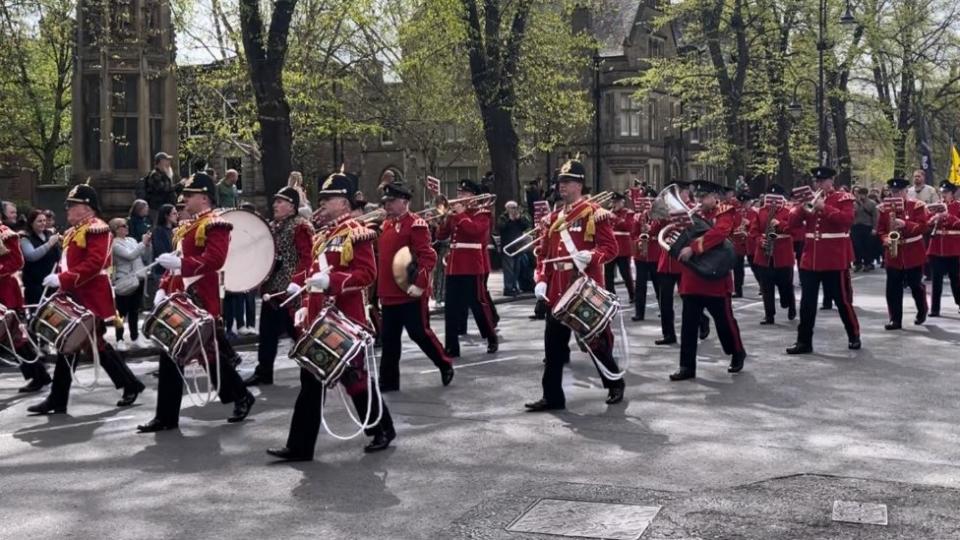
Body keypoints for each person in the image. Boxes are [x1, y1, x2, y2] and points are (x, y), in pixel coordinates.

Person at [267, 171, 395, 460]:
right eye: (322, 199)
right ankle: (300, 446)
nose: (323, 203)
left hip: (345, 319)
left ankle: (381, 429)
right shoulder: (323, 235)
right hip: (318, 319)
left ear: (345, 203)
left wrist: (333, 282)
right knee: (310, 384)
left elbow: (366, 274)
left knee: (356, 381)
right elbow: (312, 270)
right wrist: (296, 284)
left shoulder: (356, 232)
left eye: (330, 198)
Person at [137, 172, 255, 432]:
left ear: (204, 197)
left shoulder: (215, 223)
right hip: (180, 296)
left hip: (201, 296)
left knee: (208, 354)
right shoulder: (186, 226)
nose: (184, 199)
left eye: (189, 195)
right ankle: (166, 416)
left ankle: (240, 395)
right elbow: (175, 263)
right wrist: (164, 289)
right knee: (172, 352)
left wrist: (180, 264)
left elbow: (215, 260)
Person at [27, 184, 145, 414]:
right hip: (75, 293)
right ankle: (60, 399)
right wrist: (61, 278)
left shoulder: (96, 229)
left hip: (90, 295)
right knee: (76, 345)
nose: (68, 209)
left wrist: (63, 279)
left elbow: (94, 264)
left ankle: (59, 399)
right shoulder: (75, 230)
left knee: (86, 345)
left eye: (73, 205)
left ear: (86, 208)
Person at [525, 159, 624, 411]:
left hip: (582, 287)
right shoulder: (552, 219)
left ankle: (614, 382)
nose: (562, 187)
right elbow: (544, 255)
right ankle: (553, 396)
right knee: (553, 348)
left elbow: (610, 249)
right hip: (557, 289)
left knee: (595, 343)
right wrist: (541, 280)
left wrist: (592, 256)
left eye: (567, 182)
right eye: (560, 182)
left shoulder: (593, 213)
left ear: (579, 184)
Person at [377, 180, 454, 392]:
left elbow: (428, 256)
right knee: (389, 339)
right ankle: (388, 381)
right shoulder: (386, 225)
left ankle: (444, 363)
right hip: (389, 292)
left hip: (409, 291)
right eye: (386, 202)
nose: (387, 206)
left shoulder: (416, 224)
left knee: (419, 333)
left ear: (404, 201)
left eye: (392, 201)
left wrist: (420, 285)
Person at [669, 180, 747, 381]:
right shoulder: (692, 215)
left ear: (715, 197)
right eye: (698, 197)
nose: (700, 201)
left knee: (725, 322)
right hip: (693, 278)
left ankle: (737, 352)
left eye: (704, 197)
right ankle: (686, 366)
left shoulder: (725, 212)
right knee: (688, 325)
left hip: (715, 279)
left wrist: (693, 248)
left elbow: (719, 233)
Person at [243, 187, 314, 386]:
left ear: (292, 206)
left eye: (280, 202)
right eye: (275, 201)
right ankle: (264, 371)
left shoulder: (301, 226)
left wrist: (297, 282)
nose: (275, 205)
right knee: (266, 334)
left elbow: (308, 258)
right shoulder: (272, 227)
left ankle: (312, 370)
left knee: (298, 333)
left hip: (290, 292)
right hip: (271, 290)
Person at [786, 167, 861, 355]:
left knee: (842, 301)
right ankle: (804, 342)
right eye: (816, 181)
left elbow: (846, 220)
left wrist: (824, 207)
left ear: (831, 181)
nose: (818, 184)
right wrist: (800, 208)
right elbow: (792, 223)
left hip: (834, 258)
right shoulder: (810, 199)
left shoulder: (843, 198)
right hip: (811, 259)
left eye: (822, 181)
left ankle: (854, 335)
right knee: (807, 304)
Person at [437, 179, 498, 356]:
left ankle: (491, 336)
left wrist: (461, 215)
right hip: (454, 266)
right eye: (459, 193)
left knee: (477, 304)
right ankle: (451, 346)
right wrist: (444, 219)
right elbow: (442, 235)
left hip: (472, 265)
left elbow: (476, 232)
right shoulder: (455, 214)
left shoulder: (482, 213)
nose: (459, 197)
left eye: (463, 193)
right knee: (451, 308)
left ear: (473, 196)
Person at [654, 181, 710, 345]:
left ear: (686, 194)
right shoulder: (667, 212)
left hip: (683, 262)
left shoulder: (695, 210)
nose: (682, 196)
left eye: (682, 193)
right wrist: (661, 219)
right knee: (664, 302)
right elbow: (656, 232)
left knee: (688, 298)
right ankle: (668, 334)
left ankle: (702, 320)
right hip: (666, 261)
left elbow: (700, 231)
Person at [0, 220, 51, 393]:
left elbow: (17, 262)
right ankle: (39, 375)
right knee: (15, 339)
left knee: (15, 338)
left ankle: (38, 375)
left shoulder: (6, 234)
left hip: (6, 290)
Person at [876, 177, 929, 329]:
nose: (896, 194)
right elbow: (881, 230)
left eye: (899, 191)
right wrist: (885, 239)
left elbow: (923, 227)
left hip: (913, 251)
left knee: (915, 284)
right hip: (894, 253)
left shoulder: (916, 206)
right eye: (893, 192)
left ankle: (922, 309)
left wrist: (906, 224)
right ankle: (895, 319)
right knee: (892, 287)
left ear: (906, 191)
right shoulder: (884, 208)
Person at [749, 185, 796, 325]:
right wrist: (759, 241)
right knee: (766, 286)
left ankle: (790, 305)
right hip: (765, 255)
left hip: (782, 254)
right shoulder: (760, 212)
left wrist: (780, 223)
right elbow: (753, 231)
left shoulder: (789, 212)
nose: (773, 200)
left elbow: (794, 229)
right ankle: (769, 315)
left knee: (785, 285)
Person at [109, 218, 152, 350]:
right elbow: (130, 256)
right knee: (121, 313)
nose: (126, 227)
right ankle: (119, 338)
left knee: (134, 310)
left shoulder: (132, 240)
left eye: (126, 225)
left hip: (138, 278)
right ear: (116, 229)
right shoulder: (115, 244)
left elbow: (142, 254)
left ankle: (135, 336)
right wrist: (142, 243)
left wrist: (146, 244)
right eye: (123, 226)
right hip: (124, 280)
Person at [927, 181, 960, 316]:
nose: (943, 195)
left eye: (946, 193)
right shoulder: (937, 207)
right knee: (936, 280)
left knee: (956, 279)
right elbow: (927, 222)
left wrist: (948, 217)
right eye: (942, 193)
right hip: (937, 247)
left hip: (953, 248)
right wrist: (933, 219)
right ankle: (935, 308)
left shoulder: (958, 206)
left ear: (952, 194)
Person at [630, 188, 661, 321]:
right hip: (641, 255)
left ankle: (663, 308)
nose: (649, 203)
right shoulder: (638, 217)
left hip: (655, 254)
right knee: (640, 286)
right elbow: (634, 234)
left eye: (652, 201)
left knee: (658, 285)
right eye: (647, 200)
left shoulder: (660, 217)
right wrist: (639, 241)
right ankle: (639, 312)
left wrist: (652, 230)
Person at [19, 209, 61, 307]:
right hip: (34, 284)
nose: (43, 223)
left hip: (51, 282)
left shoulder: (49, 234)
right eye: (39, 221)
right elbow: (31, 256)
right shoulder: (25, 238)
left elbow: (58, 255)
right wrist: (49, 243)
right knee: (36, 311)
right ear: (31, 223)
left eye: (44, 221)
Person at [604, 192, 636, 302]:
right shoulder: (608, 213)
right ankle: (611, 296)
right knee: (608, 275)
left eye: (616, 202)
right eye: (613, 202)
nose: (614, 204)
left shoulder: (628, 213)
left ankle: (633, 295)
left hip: (623, 249)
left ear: (622, 202)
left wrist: (615, 218)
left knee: (625, 273)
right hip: (610, 248)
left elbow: (629, 227)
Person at [498, 201, 531, 296]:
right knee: (509, 269)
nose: (514, 209)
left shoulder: (519, 216)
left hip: (517, 246)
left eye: (515, 207)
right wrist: (509, 220)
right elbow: (501, 227)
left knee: (517, 268)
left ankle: (514, 286)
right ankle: (508, 288)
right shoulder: (503, 217)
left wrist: (520, 219)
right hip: (507, 246)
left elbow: (526, 226)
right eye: (512, 207)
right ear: (507, 208)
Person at [148, 204, 178, 307]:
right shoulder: (158, 231)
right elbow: (161, 251)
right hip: (162, 271)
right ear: (166, 216)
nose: (177, 215)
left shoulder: (175, 230)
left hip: (174, 269)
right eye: (174, 213)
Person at [143, 152, 178, 224]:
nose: (169, 162)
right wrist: (178, 186)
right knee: (156, 227)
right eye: (167, 160)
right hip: (157, 208)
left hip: (165, 207)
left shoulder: (165, 174)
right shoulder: (155, 175)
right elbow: (163, 189)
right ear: (161, 161)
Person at [851, 187, 878, 272]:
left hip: (867, 226)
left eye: (863, 194)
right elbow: (852, 214)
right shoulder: (854, 203)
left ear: (866, 194)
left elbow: (875, 217)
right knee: (856, 246)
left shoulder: (872, 203)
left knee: (867, 246)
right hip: (856, 226)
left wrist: (874, 228)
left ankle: (868, 263)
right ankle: (858, 263)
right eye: (860, 194)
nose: (861, 196)